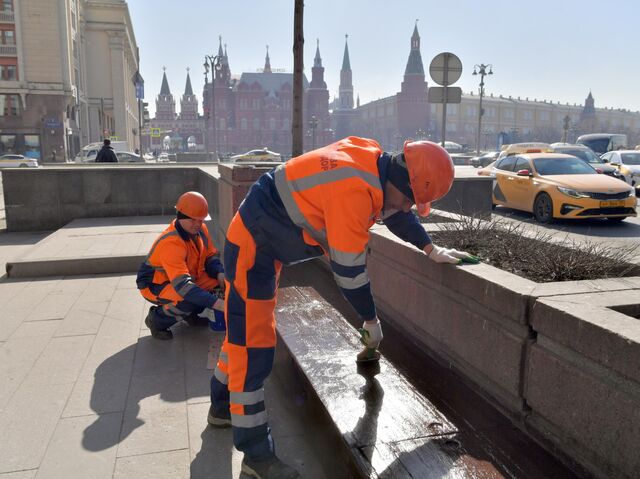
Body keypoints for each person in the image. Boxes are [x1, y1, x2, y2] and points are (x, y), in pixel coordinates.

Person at [209, 136, 478, 478]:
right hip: (253, 246)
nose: (409, 208)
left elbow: (393, 211)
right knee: (254, 347)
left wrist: (429, 247)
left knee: (244, 332)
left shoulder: (375, 162)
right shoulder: (352, 191)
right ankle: (256, 457)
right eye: (411, 200)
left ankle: (220, 406)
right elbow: (350, 273)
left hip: (265, 234)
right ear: (401, 180)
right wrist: (371, 320)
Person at [136, 191, 225, 340]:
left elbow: (210, 255)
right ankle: (156, 320)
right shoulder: (171, 243)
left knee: (218, 285)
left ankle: (189, 315)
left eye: (201, 220)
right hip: (156, 285)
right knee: (188, 298)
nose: (198, 224)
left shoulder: (201, 230)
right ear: (180, 215)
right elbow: (184, 287)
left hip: (186, 277)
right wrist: (220, 305)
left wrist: (219, 273)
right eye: (193, 220)